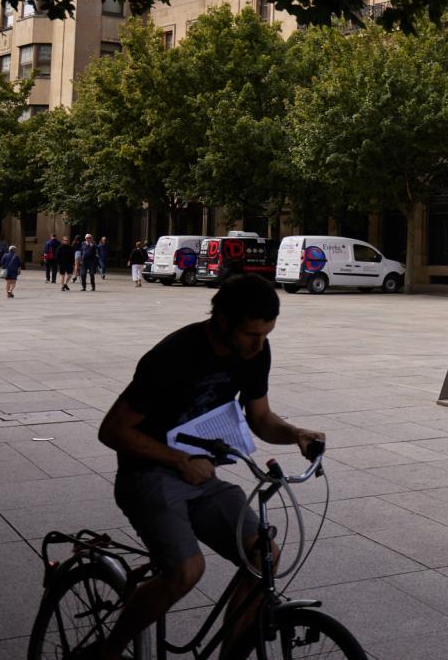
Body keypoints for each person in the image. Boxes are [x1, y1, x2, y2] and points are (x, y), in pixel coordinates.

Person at [84, 275, 323, 660]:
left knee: (264, 557)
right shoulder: (174, 355)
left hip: (200, 475)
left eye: (266, 335)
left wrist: (295, 434)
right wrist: (178, 459)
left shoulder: (255, 352)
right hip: (147, 474)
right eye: (251, 334)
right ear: (223, 319)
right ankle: (108, 651)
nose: (259, 345)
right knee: (186, 570)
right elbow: (112, 430)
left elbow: (260, 418)